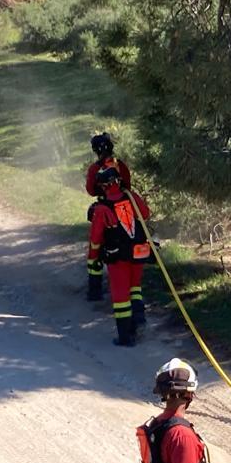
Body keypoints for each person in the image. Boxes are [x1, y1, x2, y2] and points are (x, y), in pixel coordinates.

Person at [87, 166, 151, 345]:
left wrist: (94, 257)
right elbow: (145, 214)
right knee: (135, 287)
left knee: (121, 296)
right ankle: (139, 319)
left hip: (118, 257)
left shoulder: (102, 208)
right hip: (138, 253)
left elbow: (95, 237)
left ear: (103, 186)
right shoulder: (131, 197)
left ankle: (125, 336)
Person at [85, 133, 133, 302]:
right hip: (125, 208)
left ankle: (95, 289)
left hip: (105, 209)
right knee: (131, 239)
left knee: (95, 247)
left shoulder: (94, 168)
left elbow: (91, 190)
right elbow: (128, 185)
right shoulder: (121, 165)